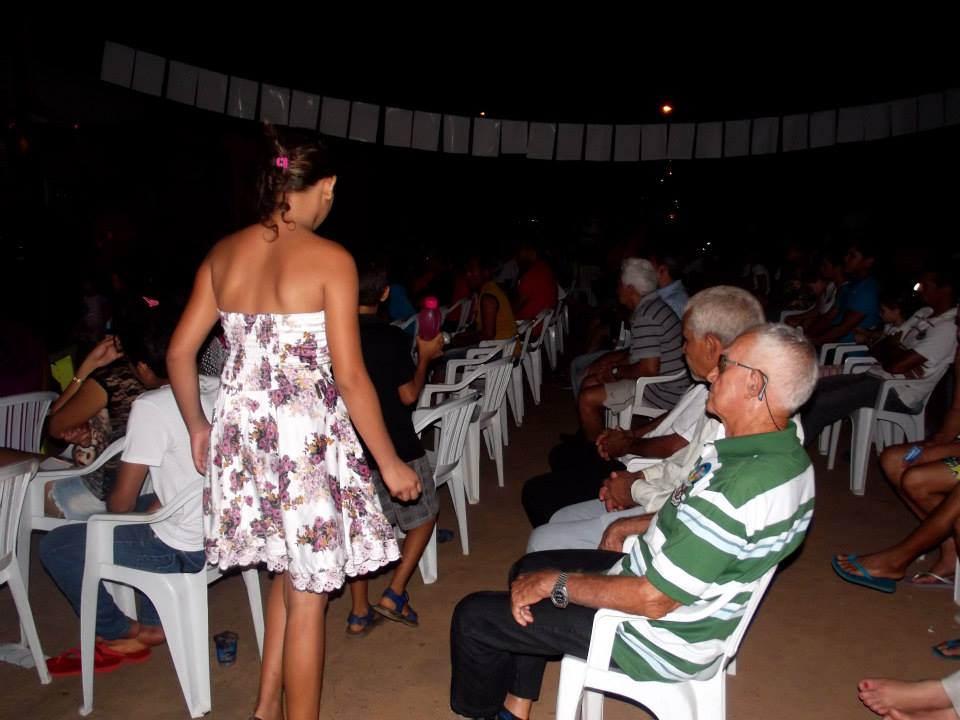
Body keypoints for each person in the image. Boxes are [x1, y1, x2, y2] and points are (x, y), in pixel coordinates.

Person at [167, 126, 420, 720]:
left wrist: (199, 427)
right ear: (325, 187)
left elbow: (179, 352)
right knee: (310, 598)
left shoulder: (223, 253)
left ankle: (264, 708)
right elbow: (351, 377)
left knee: (286, 571)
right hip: (302, 444)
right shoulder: (331, 260)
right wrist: (389, 462)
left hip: (242, 440)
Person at [449, 324, 818, 719]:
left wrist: (555, 584)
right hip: (667, 586)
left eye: (725, 365)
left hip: (651, 633)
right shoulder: (786, 455)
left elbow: (653, 599)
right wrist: (626, 526)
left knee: (474, 617)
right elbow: (693, 520)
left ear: (754, 384)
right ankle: (517, 704)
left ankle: (484, 711)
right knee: (527, 569)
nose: (712, 372)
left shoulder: (736, 488)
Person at [40, 308, 211, 672]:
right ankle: (154, 618)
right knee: (149, 507)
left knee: (57, 546)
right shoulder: (217, 385)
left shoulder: (151, 406)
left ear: (144, 368)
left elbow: (120, 504)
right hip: (221, 529)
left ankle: (123, 629)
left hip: (184, 548)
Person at [345, 260, 444, 636]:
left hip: (351, 450)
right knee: (427, 513)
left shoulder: (333, 338)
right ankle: (395, 591)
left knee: (361, 529)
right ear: (384, 293)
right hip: (396, 446)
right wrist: (425, 357)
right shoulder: (391, 337)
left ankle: (358, 612)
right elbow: (408, 395)